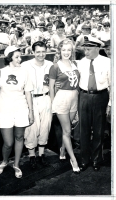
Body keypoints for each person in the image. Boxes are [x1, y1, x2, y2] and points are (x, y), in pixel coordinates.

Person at [0, 46, 34, 178]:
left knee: (19, 137)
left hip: (21, 109)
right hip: (5, 110)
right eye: (17, 57)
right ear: (9, 58)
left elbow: (28, 93)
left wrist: (30, 112)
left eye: (20, 56)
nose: (20, 59)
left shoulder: (25, 72)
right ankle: (4, 161)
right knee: (8, 143)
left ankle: (16, 164)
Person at [77, 36, 111, 171]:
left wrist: (110, 104)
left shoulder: (108, 62)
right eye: (85, 49)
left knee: (99, 129)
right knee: (83, 130)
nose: (86, 52)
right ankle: (84, 160)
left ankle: (97, 159)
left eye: (89, 49)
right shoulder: (81, 62)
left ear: (97, 48)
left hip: (100, 97)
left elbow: (112, 85)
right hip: (84, 96)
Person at [49, 39, 80, 174]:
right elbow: (51, 87)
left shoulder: (75, 64)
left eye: (69, 50)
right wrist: (52, 104)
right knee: (67, 131)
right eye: (64, 50)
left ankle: (62, 151)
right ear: (59, 51)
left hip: (74, 97)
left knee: (68, 129)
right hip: (62, 98)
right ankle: (73, 159)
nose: (66, 52)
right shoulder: (55, 66)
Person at [21, 41, 53, 169]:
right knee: (32, 128)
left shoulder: (51, 65)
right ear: (33, 52)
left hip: (46, 97)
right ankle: (31, 156)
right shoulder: (25, 65)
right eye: (38, 51)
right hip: (31, 99)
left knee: (45, 127)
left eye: (43, 51)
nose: (41, 54)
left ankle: (41, 155)